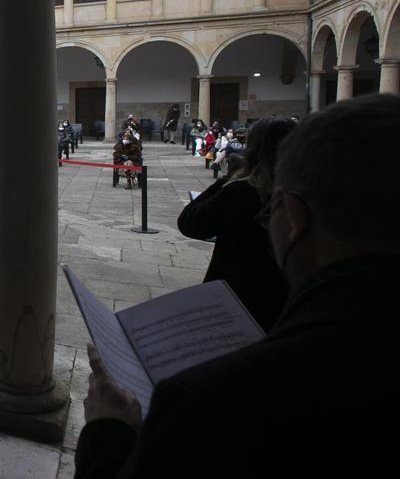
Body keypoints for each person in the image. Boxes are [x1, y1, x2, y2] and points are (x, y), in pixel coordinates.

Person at [76, 94, 400, 478]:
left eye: (271, 211)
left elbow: (191, 222)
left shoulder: (211, 401)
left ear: (292, 217)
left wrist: (107, 432)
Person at [178, 117, 295, 331]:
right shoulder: (309, 193)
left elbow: (189, 222)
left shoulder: (242, 192)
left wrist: (229, 178)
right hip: (287, 302)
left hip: (235, 296)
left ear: (253, 150)